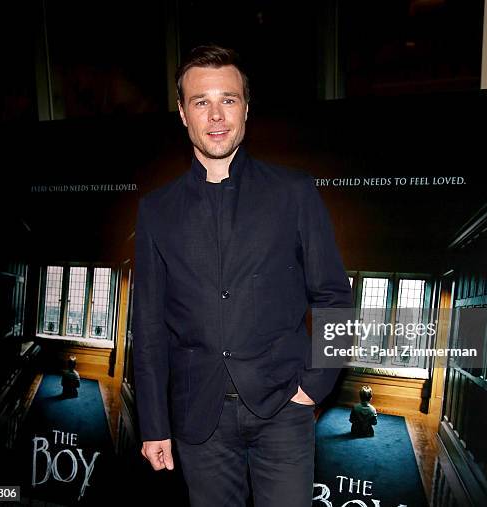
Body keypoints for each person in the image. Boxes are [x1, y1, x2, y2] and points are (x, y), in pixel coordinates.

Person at [132, 45, 352, 507]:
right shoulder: (156, 211)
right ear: (182, 113)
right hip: (197, 419)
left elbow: (333, 294)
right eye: (201, 102)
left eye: (228, 100)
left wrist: (314, 386)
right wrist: (154, 425)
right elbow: (149, 327)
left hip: (282, 408)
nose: (216, 115)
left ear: (246, 109)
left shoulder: (293, 192)